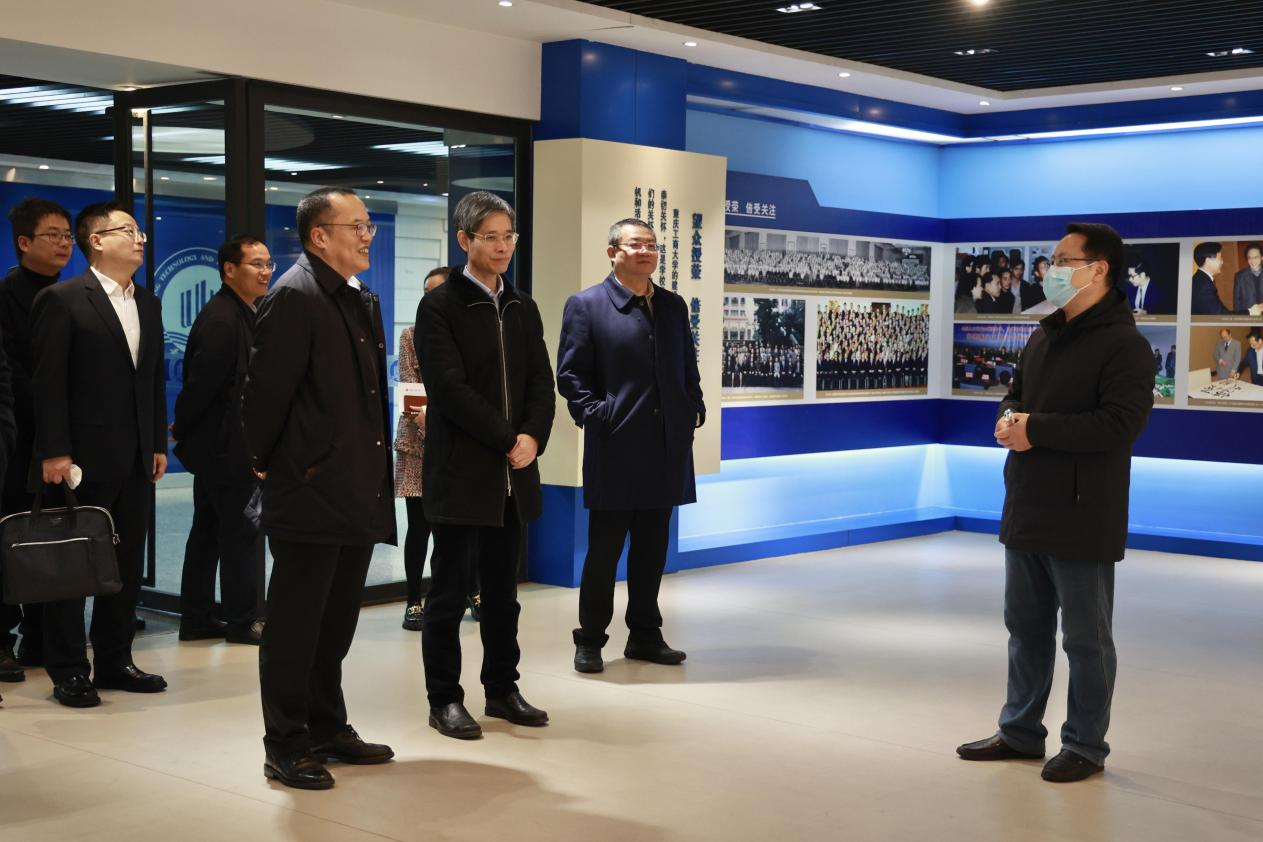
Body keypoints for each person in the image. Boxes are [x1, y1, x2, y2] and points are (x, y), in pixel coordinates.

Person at [957, 222, 1154, 783]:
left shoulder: (1125, 345)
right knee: (1025, 627)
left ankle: (1085, 744)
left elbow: (1118, 425)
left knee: (1086, 640)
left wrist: (1035, 428)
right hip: (1027, 502)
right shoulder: (1044, 335)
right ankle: (1020, 730)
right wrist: (1008, 419)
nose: (1052, 268)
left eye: (1065, 260)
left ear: (1099, 270)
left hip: (1083, 512)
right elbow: (1015, 395)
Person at [242, 187, 396, 789]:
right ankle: (284, 743)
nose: (366, 235)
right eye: (356, 226)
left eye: (368, 225)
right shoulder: (294, 295)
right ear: (319, 236)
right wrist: (271, 464)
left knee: (334, 624)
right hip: (308, 489)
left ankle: (327, 726)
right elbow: (264, 396)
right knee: (295, 627)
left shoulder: (358, 297)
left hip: (354, 484)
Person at [416, 191, 555, 740]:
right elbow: (448, 389)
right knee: (449, 594)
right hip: (462, 472)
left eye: (508, 236)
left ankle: (502, 688)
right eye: (490, 237)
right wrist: (506, 438)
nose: (502, 247)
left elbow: (540, 380)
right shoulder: (440, 305)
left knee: (503, 595)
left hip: (513, 474)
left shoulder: (523, 305)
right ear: (464, 240)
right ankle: (444, 699)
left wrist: (533, 436)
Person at [32, 201, 168, 708]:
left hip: (135, 456)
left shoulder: (147, 302)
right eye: (127, 231)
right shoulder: (63, 299)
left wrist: (157, 444)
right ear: (96, 241)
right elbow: (48, 383)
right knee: (73, 565)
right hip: (79, 458)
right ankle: (68, 668)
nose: (139, 239)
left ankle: (115, 659)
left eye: (140, 231)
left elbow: (151, 378)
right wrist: (54, 451)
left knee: (125, 564)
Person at [557, 218, 706, 674]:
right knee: (604, 551)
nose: (646, 252)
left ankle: (644, 634)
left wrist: (693, 406)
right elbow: (570, 375)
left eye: (651, 245)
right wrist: (598, 415)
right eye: (635, 244)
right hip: (616, 446)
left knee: (652, 549)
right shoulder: (587, 305)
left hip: (666, 446)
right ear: (612, 252)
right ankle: (590, 639)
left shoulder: (673, 306)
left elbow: (687, 365)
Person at [172, 235, 273, 645]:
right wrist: (183, 428)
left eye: (268, 263)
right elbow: (201, 387)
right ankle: (243, 620)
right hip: (226, 448)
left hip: (224, 446)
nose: (266, 271)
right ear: (229, 269)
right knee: (239, 534)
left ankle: (197, 617)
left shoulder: (243, 311)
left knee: (209, 532)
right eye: (256, 264)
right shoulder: (223, 319)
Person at [0, 197, 71, 682]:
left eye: (67, 235)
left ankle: (40, 636)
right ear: (24, 242)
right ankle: (2, 638)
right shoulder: (7, 295)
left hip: (59, 439)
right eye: (53, 235)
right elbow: (15, 373)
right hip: (18, 439)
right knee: (10, 537)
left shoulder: (70, 293)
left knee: (52, 536)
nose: (64, 243)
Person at [395, 266, 482, 631]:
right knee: (419, 527)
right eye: (426, 292)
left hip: (462, 443)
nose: (431, 298)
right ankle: (414, 600)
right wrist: (438, 425)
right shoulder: (411, 335)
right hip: (419, 443)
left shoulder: (470, 332)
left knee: (465, 526)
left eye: (439, 291)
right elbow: (411, 389)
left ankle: (471, 592)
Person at [1191, 242, 1262, 317]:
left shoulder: (1200, 280)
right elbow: (1221, 314)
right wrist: (1250, 312)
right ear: (1208, 260)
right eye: (1220, 258)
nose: (1222, 262)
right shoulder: (1204, 285)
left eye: (1256, 257)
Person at [1232, 244, 1263, 313]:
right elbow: (1237, 301)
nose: (1253, 261)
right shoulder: (1239, 276)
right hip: (1249, 315)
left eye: (1256, 257)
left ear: (1261, 257)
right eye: (1250, 258)